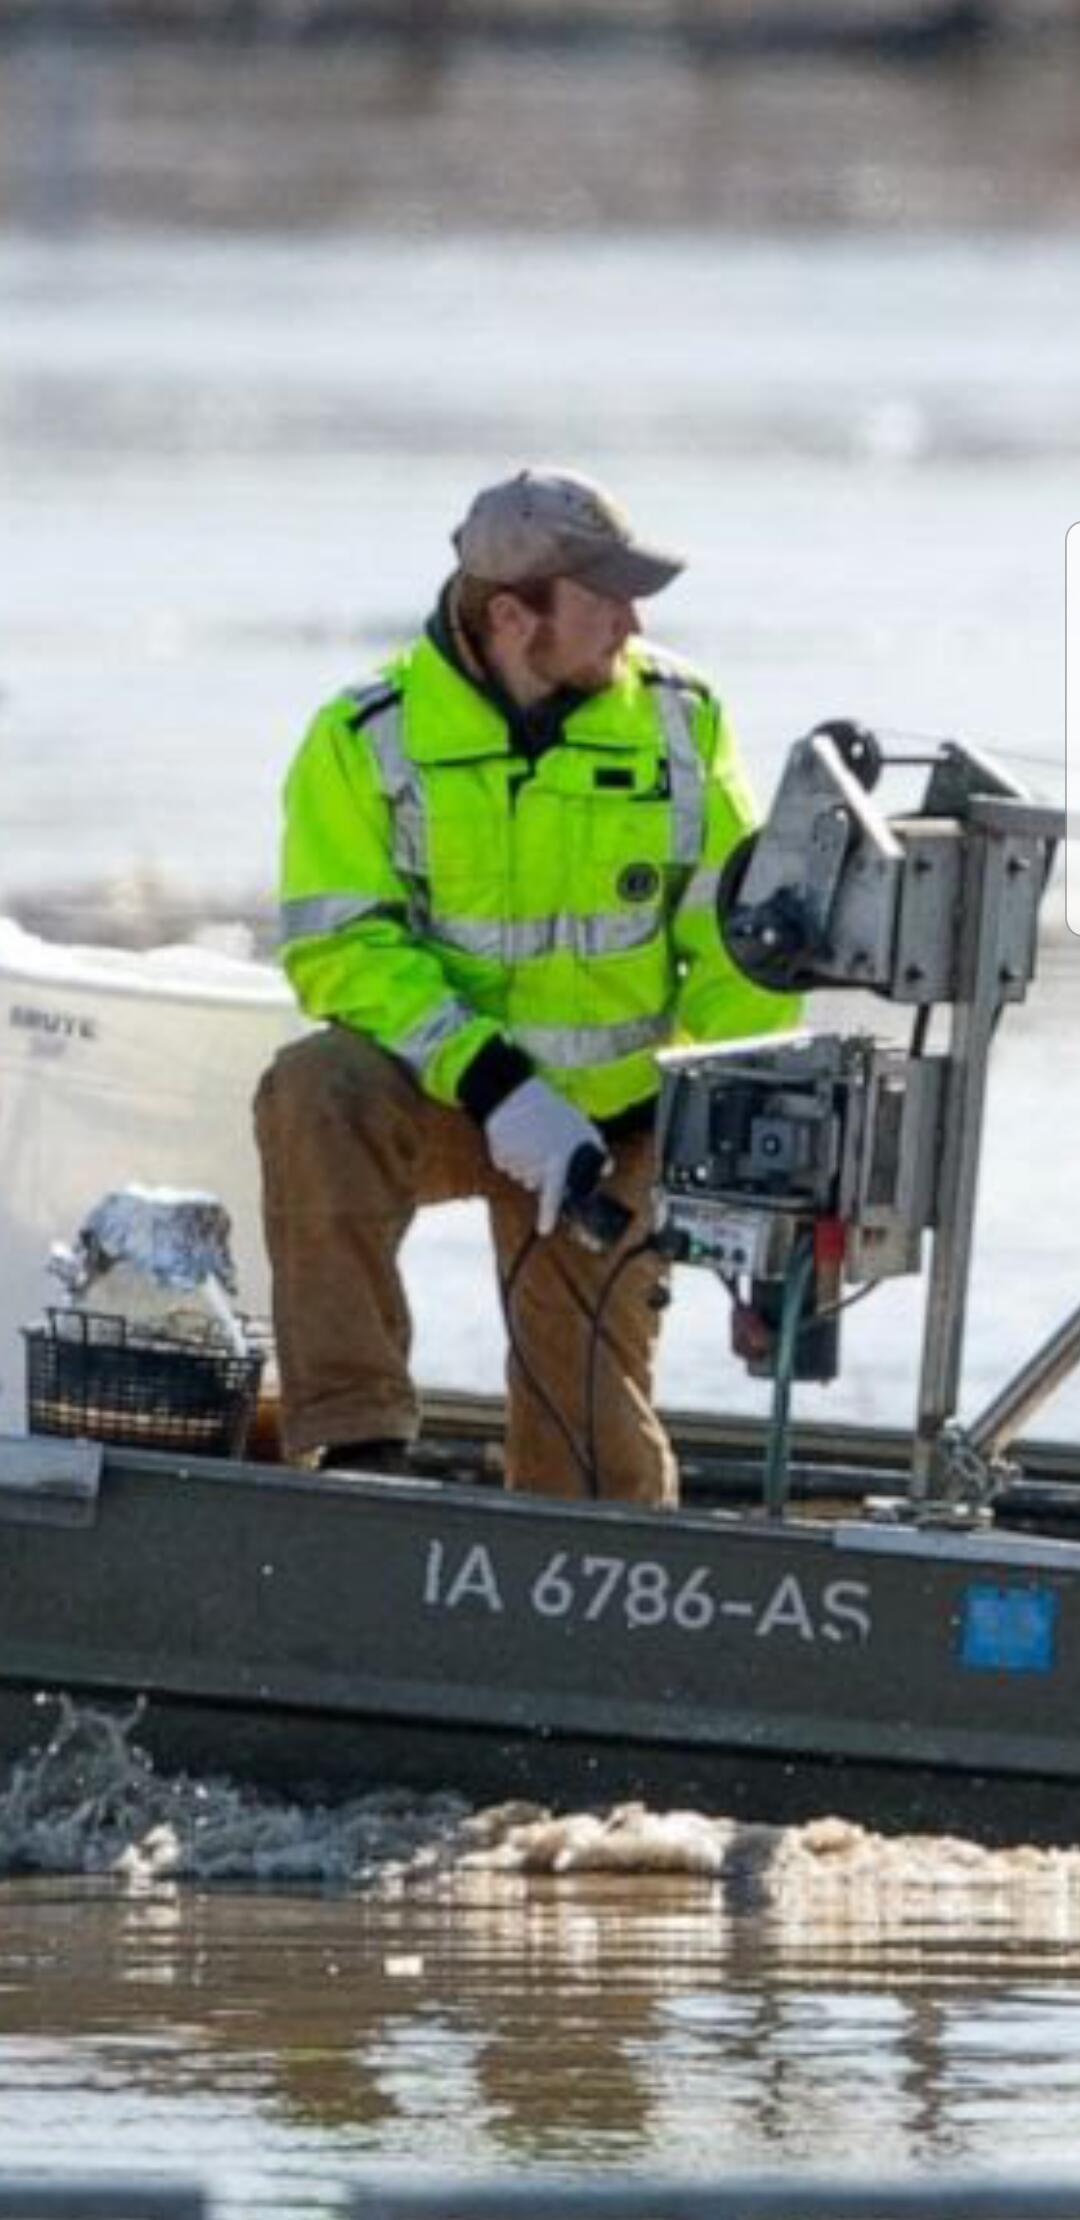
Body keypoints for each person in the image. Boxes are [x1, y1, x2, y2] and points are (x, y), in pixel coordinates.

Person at [254, 466, 797, 1505]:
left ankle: (589, 1592)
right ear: (513, 616)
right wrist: (501, 1086)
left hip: (612, 1138)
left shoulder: (681, 721)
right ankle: (355, 1448)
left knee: (598, 1470)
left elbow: (738, 952)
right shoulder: (365, 737)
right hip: (452, 1099)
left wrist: (744, 1195)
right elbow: (341, 950)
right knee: (315, 1089)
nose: (633, 622)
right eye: (606, 599)